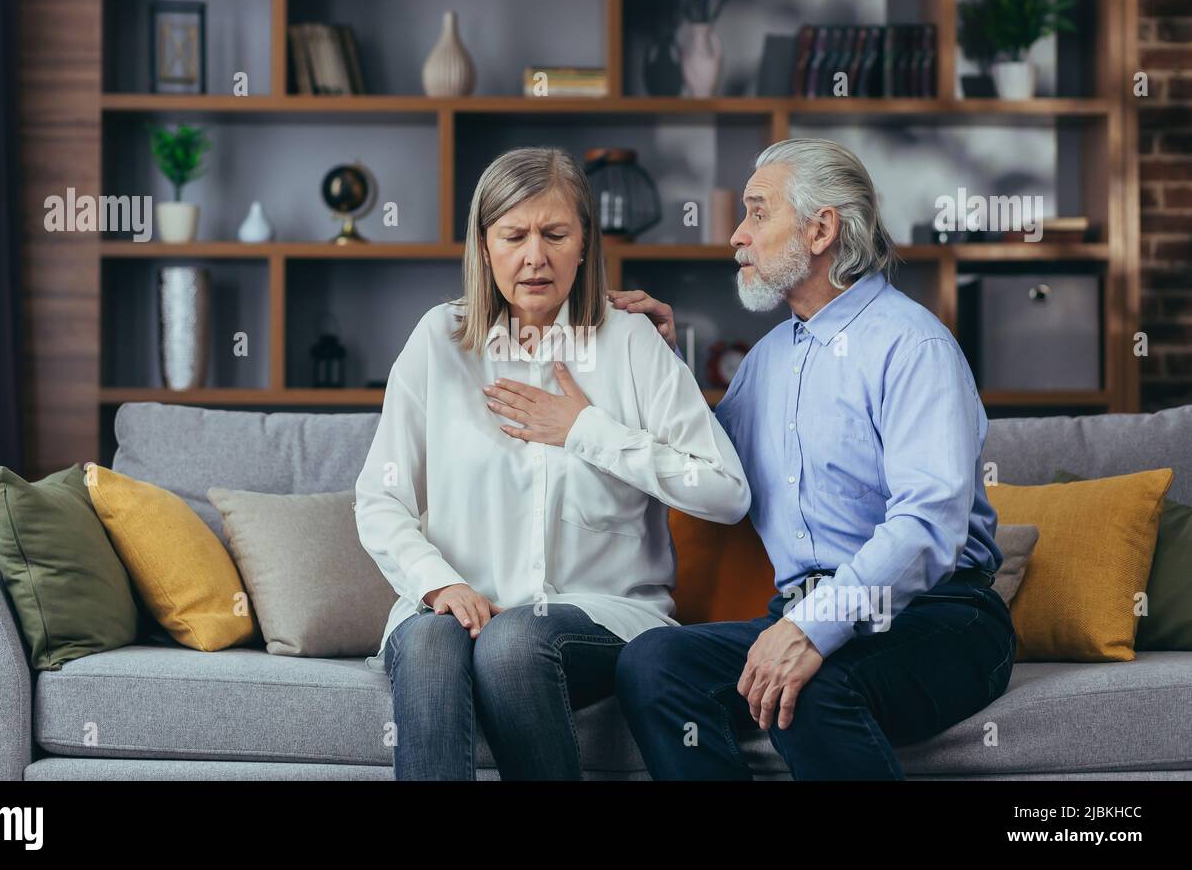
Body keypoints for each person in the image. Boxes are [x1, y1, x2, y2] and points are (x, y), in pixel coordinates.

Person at [612, 137, 1016, 780]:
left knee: (809, 687)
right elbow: (709, 466)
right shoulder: (766, 361)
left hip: (939, 617)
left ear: (821, 228)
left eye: (757, 212)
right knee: (653, 663)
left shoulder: (913, 345)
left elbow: (928, 523)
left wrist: (812, 631)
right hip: (798, 611)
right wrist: (656, 368)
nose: (737, 236)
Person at [354, 146, 750, 780]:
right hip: (455, 604)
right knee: (430, 640)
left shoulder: (630, 341)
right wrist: (438, 581)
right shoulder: (439, 339)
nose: (534, 256)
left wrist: (585, 430)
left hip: (601, 614)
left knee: (512, 644)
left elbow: (726, 491)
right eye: (513, 235)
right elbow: (380, 497)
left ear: (585, 243)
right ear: (484, 248)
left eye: (555, 234)